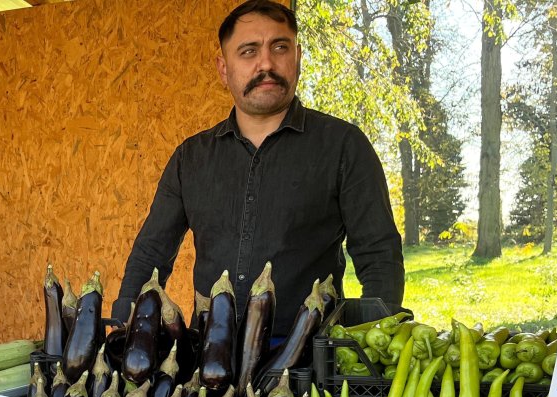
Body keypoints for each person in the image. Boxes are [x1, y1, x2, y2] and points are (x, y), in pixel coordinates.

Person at [113, 0, 405, 336]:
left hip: (309, 361)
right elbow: (152, 252)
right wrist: (127, 327)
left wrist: (376, 338)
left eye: (279, 47)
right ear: (224, 69)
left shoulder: (343, 146)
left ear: (297, 57)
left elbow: (378, 254)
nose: (266, 63)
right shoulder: (190, 158)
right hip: (207, 360)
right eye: (248, 51)